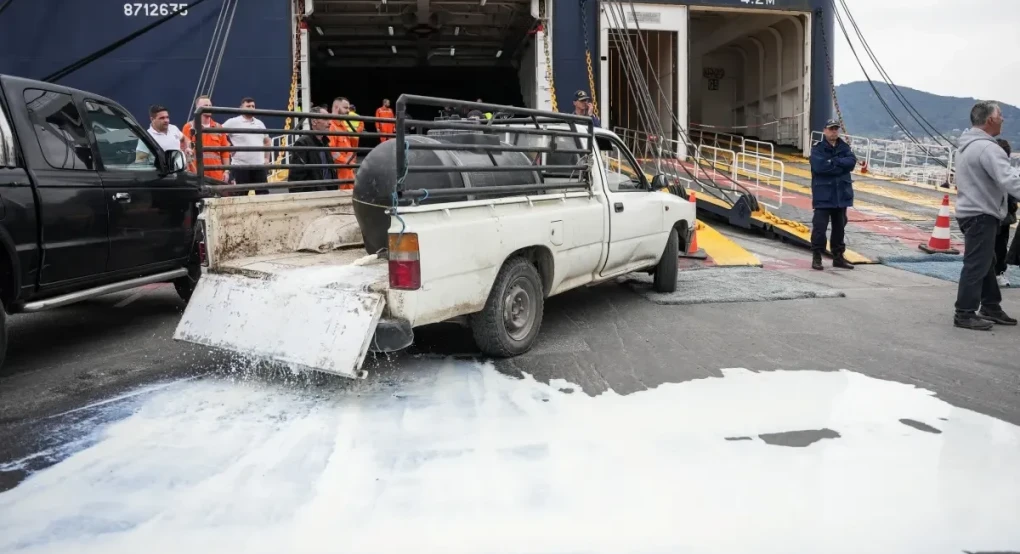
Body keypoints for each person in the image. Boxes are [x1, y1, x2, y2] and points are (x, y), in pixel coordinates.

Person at [952, 100, 1020, 330]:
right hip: (981, 214)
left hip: (969, 211)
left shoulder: (966, 145)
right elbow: (1009, 179)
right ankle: (964, 312)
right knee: (976, 264)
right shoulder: (988, 148)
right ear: (990, 119)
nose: (1003, 119)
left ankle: (991, 306)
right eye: (1000, 115)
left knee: (986, 261)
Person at [808, 119, 857, 271]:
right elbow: (819, 167)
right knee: (819, 228)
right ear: (824, 131)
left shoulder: (845, 147)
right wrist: (840, 165)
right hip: (824, 195)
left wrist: (832, 162)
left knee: (839, 229)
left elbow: (851, 163)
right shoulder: (817, 149)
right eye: (831, 129)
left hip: (841, 196)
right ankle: (817, 257)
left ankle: (838, 257)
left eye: (836, 129)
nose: (834, 131)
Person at [222, 97, 271, 193]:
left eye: (253, 106)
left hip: (259, 166)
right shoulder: (233, 122)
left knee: (263, 196)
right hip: (241, 167)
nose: (251, 108)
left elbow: (267, 141)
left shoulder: (260, 123)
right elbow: (219, 133)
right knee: (241, 196)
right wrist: (230, 146)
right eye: (248, 106)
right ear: (241, 108)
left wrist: (266, 159)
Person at [181, 95, 231, 183]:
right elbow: (184, 150)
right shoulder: (188, 127)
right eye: (205, 105)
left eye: (210, 105)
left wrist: (226, 171)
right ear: (197, 108)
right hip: (196, 174)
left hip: (216, 175)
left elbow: (225, 152)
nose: (208, 108)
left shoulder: (219, 127)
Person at [287, 106, 338, 193]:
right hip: (313, 196)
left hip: (328, 194)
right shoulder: (302, 143)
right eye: (325, 119)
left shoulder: (325, 142)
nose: (330, 123)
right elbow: (296, 177)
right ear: (314, 122)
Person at [992, 138, 1018, 287]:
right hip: (996, 214)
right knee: (998, 245)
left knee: (999, 246)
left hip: (1003, 216)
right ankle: (997, 273)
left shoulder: (1008, 173)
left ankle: (998, 272)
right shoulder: (1007, 172)